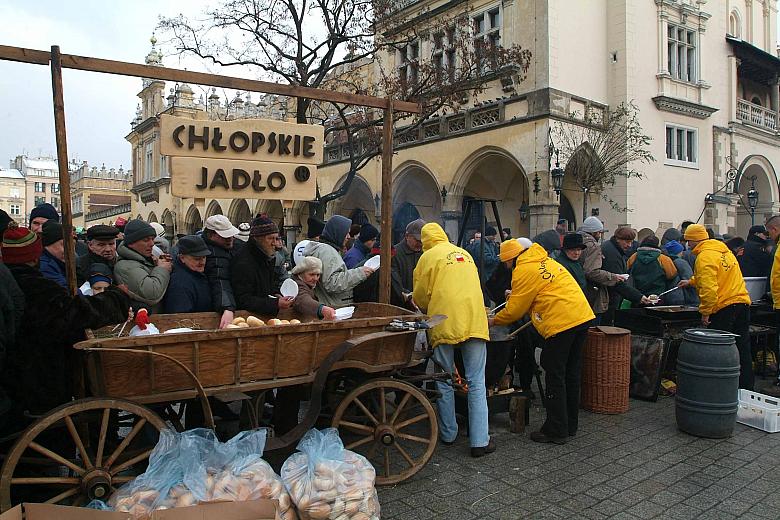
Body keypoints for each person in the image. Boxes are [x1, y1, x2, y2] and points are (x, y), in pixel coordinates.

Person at [1, 222, 130, 418]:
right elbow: (74, 313)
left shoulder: (16, 279)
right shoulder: (35, 286)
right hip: (36, 375)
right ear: (34, 256)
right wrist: (116, 298)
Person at [491, 239, 595, 444]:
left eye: (506, 262)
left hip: (561, 323)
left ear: (511, 258)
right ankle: (569, 425)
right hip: (582, 317)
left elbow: (514, 311)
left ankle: (555, 431)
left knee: (554, 374)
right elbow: (544, 287)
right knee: (571, 374)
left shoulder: (522, 270)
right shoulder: (545, 260)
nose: (506, 266)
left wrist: (493, 321)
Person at [412, 223, 493, 457]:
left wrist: (427, 307)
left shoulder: (427, 258)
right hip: (474, 320)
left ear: (426, 240)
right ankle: (480, 441)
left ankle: (448, 434)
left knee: (444, 379)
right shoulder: (464, 252)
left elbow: (419, 296)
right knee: (477, 381)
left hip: (442, 321)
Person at [679, 224, 753, 390]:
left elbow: (709, 289)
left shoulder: (704, 257)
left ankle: (720, 389)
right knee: (742, 348)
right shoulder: (724, 252)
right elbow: (717, 275)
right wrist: (691, 281)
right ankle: (745, 388)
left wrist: (705, 312)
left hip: (724, 307)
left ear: (693, 241)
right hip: (741, 302)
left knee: (720, 352)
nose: (687, 244)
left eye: (687, 240)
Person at [303, 215, 372, 308]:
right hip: (334, 308)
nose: (348, 237)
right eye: (346, 233)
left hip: (330, 305)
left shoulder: (325, 249)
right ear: (337, 232)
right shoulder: (327, 251)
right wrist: (360, 273)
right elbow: (332, 283)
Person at [231, 215, 294, 315]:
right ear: (257, 238)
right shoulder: (243, 261)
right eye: (270, 238)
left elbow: (267, 287)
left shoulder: (267, 256)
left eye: (276, 238)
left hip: (263, 314)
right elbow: (243, 299)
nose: (274, 243)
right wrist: (275, 303)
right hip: (246, 316)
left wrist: (276, 295)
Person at [114, 219, 172, 314]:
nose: (152, 244)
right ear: (131, 243)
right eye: (146, 240)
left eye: (152, 239)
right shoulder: (125, 267)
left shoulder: (145, 259)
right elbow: (152, 294)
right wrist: (162, 269)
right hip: (146, 324)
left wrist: (160, 263)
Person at [578, 216, 627, 321]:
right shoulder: (593, 246)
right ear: (595, 232)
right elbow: (592, 271)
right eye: (599, 233)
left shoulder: (577, 242)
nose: (600, 236)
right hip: (592, 294)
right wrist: (613, 277)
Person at [601, 226, 648, 324]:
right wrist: (639, 297)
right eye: (626, 242)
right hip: (608, 299)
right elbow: (617, 283)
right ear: (618, 239)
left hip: (607, 297)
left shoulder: (611, 248)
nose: (629, 245)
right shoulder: (612, 254)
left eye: (631, 242)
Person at [202, 215, 241, 328]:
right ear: (211, 235)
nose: (230, 239)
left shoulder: (230, 246)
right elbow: (219, 280)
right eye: (225, 236)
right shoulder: (214, 254)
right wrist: (227, 307)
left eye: (231, 235)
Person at [162, 235, 213, 313]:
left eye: (204, 257)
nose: (202, 262)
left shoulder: (195, 273)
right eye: (197, 259)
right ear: (182, 258)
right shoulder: (180, 283)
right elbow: (180, 317)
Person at [627, 235, 678, 302]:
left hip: (638, 296)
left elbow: (627, 272)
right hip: (658, 296)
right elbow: (671, 275)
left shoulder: (633, 257)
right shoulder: (663, 259)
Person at [391, 218, 425, 309]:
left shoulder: (426, 253)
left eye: (423, 240)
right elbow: (394, 284)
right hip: (402, 306)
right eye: (417, 240)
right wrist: (409, 296)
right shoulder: (394, 254)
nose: (420, 244)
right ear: (407, 236)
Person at [663, 240, 698, 306]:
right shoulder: (681, 262)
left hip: (668, 296)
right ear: (678, 252)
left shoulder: (665, 261)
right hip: (682, 297)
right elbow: (689, 278)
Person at [38, 220, 67, 288]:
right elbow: (66, 290)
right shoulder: (45, 266)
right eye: (63, 245)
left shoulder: (57, 263)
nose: (69, 251)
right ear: (48, 245)